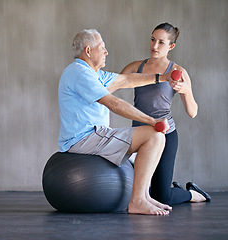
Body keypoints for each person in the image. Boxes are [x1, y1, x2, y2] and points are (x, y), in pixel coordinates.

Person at [58, 29, 175, 215]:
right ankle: (137, 201)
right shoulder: (79, 73)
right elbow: (113, 103)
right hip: (84, 139)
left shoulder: (94, 74)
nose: (106, 52)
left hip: (94, 135)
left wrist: (162, 77)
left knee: (155, 137)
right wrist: (152, 120)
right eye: (102, 48)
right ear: (88, 51)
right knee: (154, 136)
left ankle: (143, 196)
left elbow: (127, 80)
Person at [120, 22, 211, 204]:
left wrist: (186, 90)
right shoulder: (136, 67)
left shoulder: (179, 72)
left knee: (162, 197)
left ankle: (193, 194)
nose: (154, 46)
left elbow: (193, 112)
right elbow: (112, 84)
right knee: (136, 189)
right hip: (138, 135)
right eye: (153, 40)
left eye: (161, 42)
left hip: (165, 135)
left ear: (171, 46)